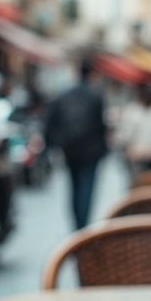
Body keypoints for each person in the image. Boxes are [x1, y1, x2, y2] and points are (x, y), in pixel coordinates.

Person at [43, 57, 108, 229]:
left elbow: (50, 123)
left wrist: (54, 145)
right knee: (86, 189)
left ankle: (77, 225)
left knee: (73, 187)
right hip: (91, 151)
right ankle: (82, 225)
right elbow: (101, 126)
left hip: (70, 150)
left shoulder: (64, 95)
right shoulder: (96, 96)